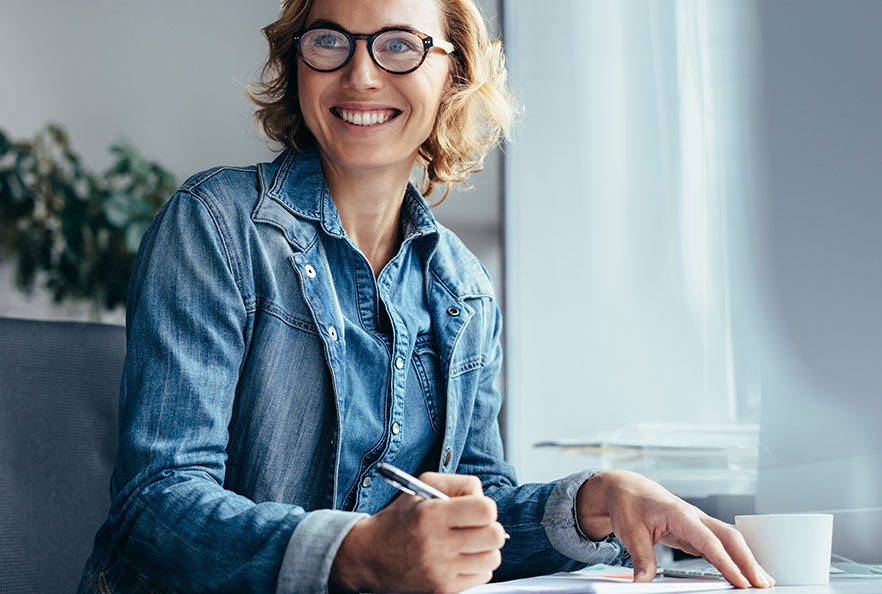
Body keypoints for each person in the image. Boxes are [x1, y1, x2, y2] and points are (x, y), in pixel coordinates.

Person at [78, 0, 775, 592]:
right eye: (328, 41)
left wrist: (595, 501)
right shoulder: (216, 224)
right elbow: (155, 507)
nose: (359, 73)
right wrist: (358, 553)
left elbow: (480, 520)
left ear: (454, 75)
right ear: (298, 63)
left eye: (399, 46)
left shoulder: (465, 291)